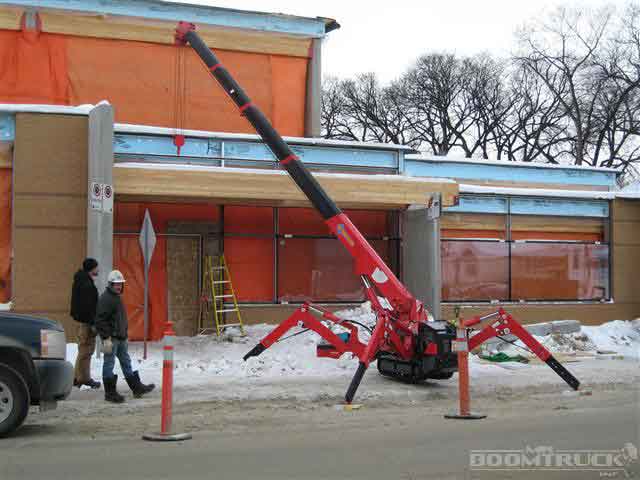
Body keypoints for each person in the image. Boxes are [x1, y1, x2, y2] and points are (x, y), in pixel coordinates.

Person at [95, 270, 155, 403]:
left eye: (120, 284)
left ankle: (136, 387)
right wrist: (106, 337)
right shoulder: (106, 299)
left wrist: (124, 333)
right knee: (108, 364)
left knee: (126, 362)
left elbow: (119, 319)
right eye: (116, 284)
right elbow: (99, 320)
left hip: (120, 338)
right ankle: (110, 394)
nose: (119, 286)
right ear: (110, 284)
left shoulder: (116, 297)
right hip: (111, 339)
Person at [70, 258, 101, 389]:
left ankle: (81, 377)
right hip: (87, 323)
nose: (98, 269)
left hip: (83, 321)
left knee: (85, 350)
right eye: (96, 267)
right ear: (91, 269)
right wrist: (93, 324)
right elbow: (89, 307)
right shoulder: (86, 285)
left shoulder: (81, 281)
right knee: (85, 350)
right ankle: (79, 378)